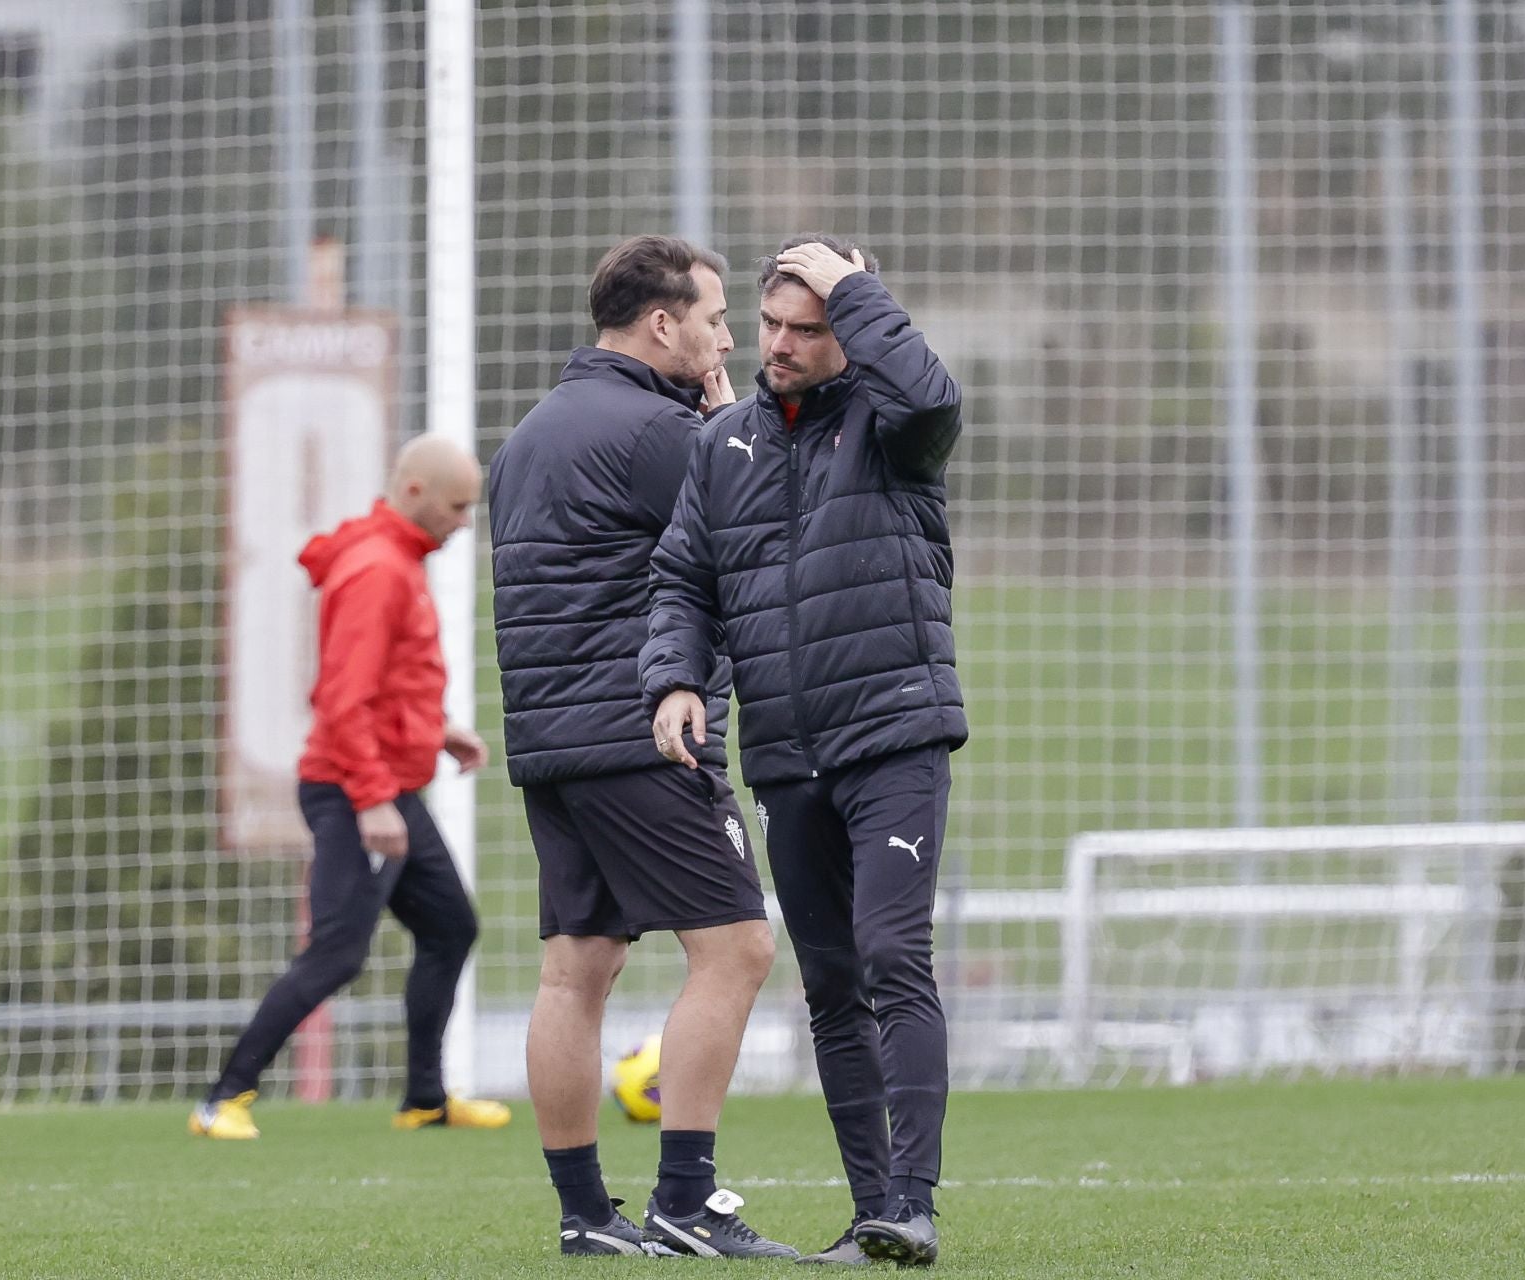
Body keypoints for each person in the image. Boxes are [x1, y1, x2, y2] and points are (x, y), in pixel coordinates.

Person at [642, 234, 966, 1268]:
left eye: (807, 326)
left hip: (893, 735)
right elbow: (683, 581)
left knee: (890, 955)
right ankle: (875, 1213)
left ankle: (913, 1199)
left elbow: (930, 392)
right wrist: (678, 676)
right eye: (770, 323)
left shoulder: (893, 424)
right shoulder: (722, 442)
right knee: (829, 978)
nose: (777, 343)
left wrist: (855, 286)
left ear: (848, 331)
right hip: (788, 752)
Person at [489, 235, 795, 1260]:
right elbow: (759, 543)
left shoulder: (531, 432)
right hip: (642, 733)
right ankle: (684, 1198)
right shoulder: (659, 431)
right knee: (739, 946)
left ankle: (586, 1214)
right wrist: (718, 430)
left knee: (576, 968)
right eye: (713, 319)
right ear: (661, 324)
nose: (726, 339)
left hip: (550, 740)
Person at [191, 435, 511, 1140]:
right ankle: (224, 1099)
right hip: (353, 789)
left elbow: (384, 685)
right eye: (458, 507)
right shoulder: (376, 571)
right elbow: (341, 700)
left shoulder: (394, 559)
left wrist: (435, 730)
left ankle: (425, 1099)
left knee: (450, 927)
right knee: (337, 953)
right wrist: (369, 799)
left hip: (387, 781)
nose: (465, 522)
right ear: (415, 492)